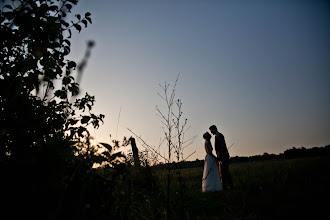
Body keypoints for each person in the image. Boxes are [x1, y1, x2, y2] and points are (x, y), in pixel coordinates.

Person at [209, 125, 234, 190]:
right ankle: (226, 185)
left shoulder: (220, 136)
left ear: (214, 129)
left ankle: (227, 186)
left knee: (225, 172)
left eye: (211, 130)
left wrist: (220, 156)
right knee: (223, 172)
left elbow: (222, 147)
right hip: (221, 156)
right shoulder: (217, 136)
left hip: (223, 156)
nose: (211, 132)